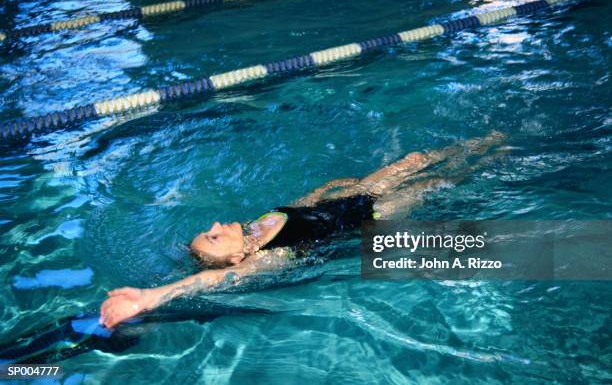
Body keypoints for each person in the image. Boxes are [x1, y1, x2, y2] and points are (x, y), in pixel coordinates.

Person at [100, 130, 506, 328]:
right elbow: (214, 279)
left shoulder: (255, 228)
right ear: (238, 257)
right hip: (374, 217)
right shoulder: (266, 258)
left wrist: (331, 190)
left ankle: (486, 141)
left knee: (416, 158)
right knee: (433, 184)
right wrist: (153, 297)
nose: (215, 225)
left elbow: (296, 208)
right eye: (213, 236)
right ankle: (494, 157)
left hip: (352, 196)